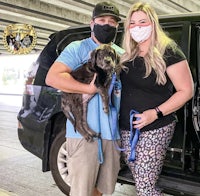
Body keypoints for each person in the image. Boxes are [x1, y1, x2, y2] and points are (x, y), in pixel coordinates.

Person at [45, 2, 124, 196]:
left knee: (102, 190)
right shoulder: (78, 48)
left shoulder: (121, 54)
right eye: (102, 20)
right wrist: (88, 88)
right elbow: (53, 77)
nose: (107, 25)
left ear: (117, 27)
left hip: (111, 134)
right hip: (83, 135)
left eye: (112, 22)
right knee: (82, 191)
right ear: (92, 23)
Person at [119, 2, 194, 196]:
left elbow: (186, 90)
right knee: (141, 180)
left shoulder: (168, 50)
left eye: (143, 22)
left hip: (155, 127)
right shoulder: (127, 53)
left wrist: (155, 113)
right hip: (128, 128)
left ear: (153, 23)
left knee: (145, 188)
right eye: (133, 23)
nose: (137, 27)